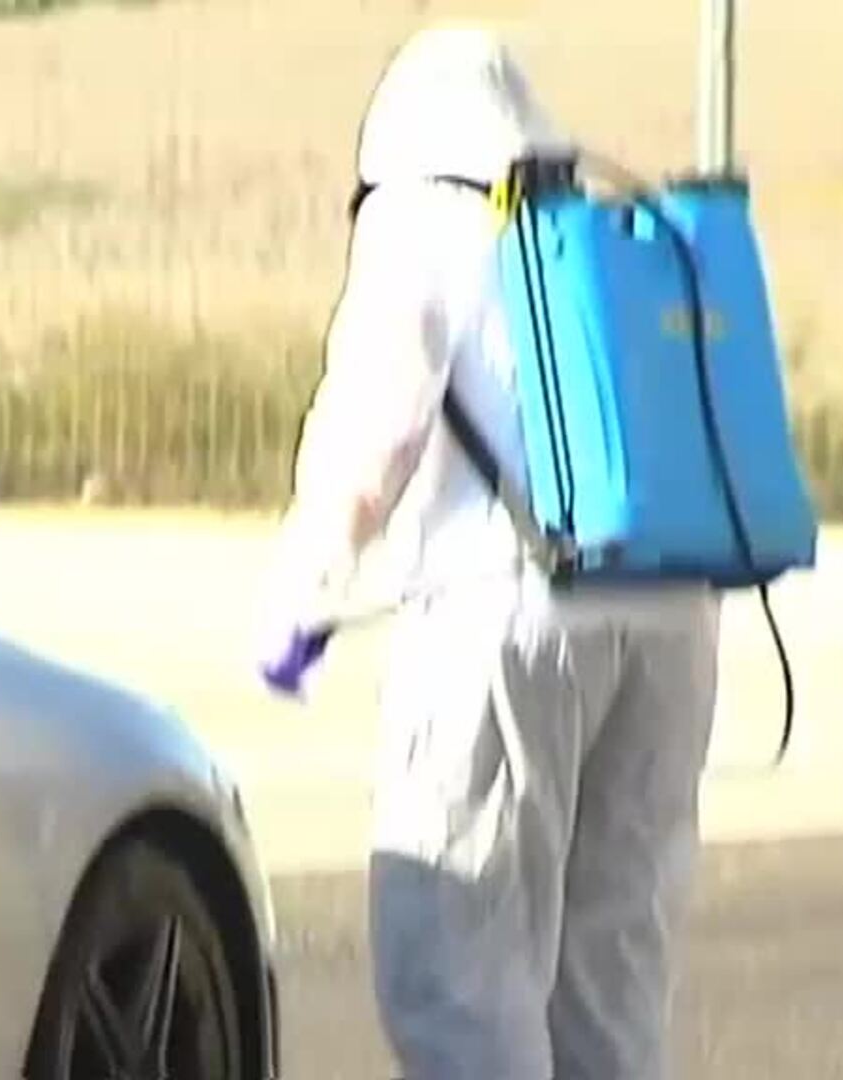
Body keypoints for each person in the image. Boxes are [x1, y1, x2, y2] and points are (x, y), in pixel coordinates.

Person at [257, 23, 723, 1080]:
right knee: (612, 975)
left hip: (509, 615)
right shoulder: (591, 223)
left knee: (457, 960)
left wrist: (304, 596)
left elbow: (375, 428)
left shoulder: (424, 210)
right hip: (673, 616)